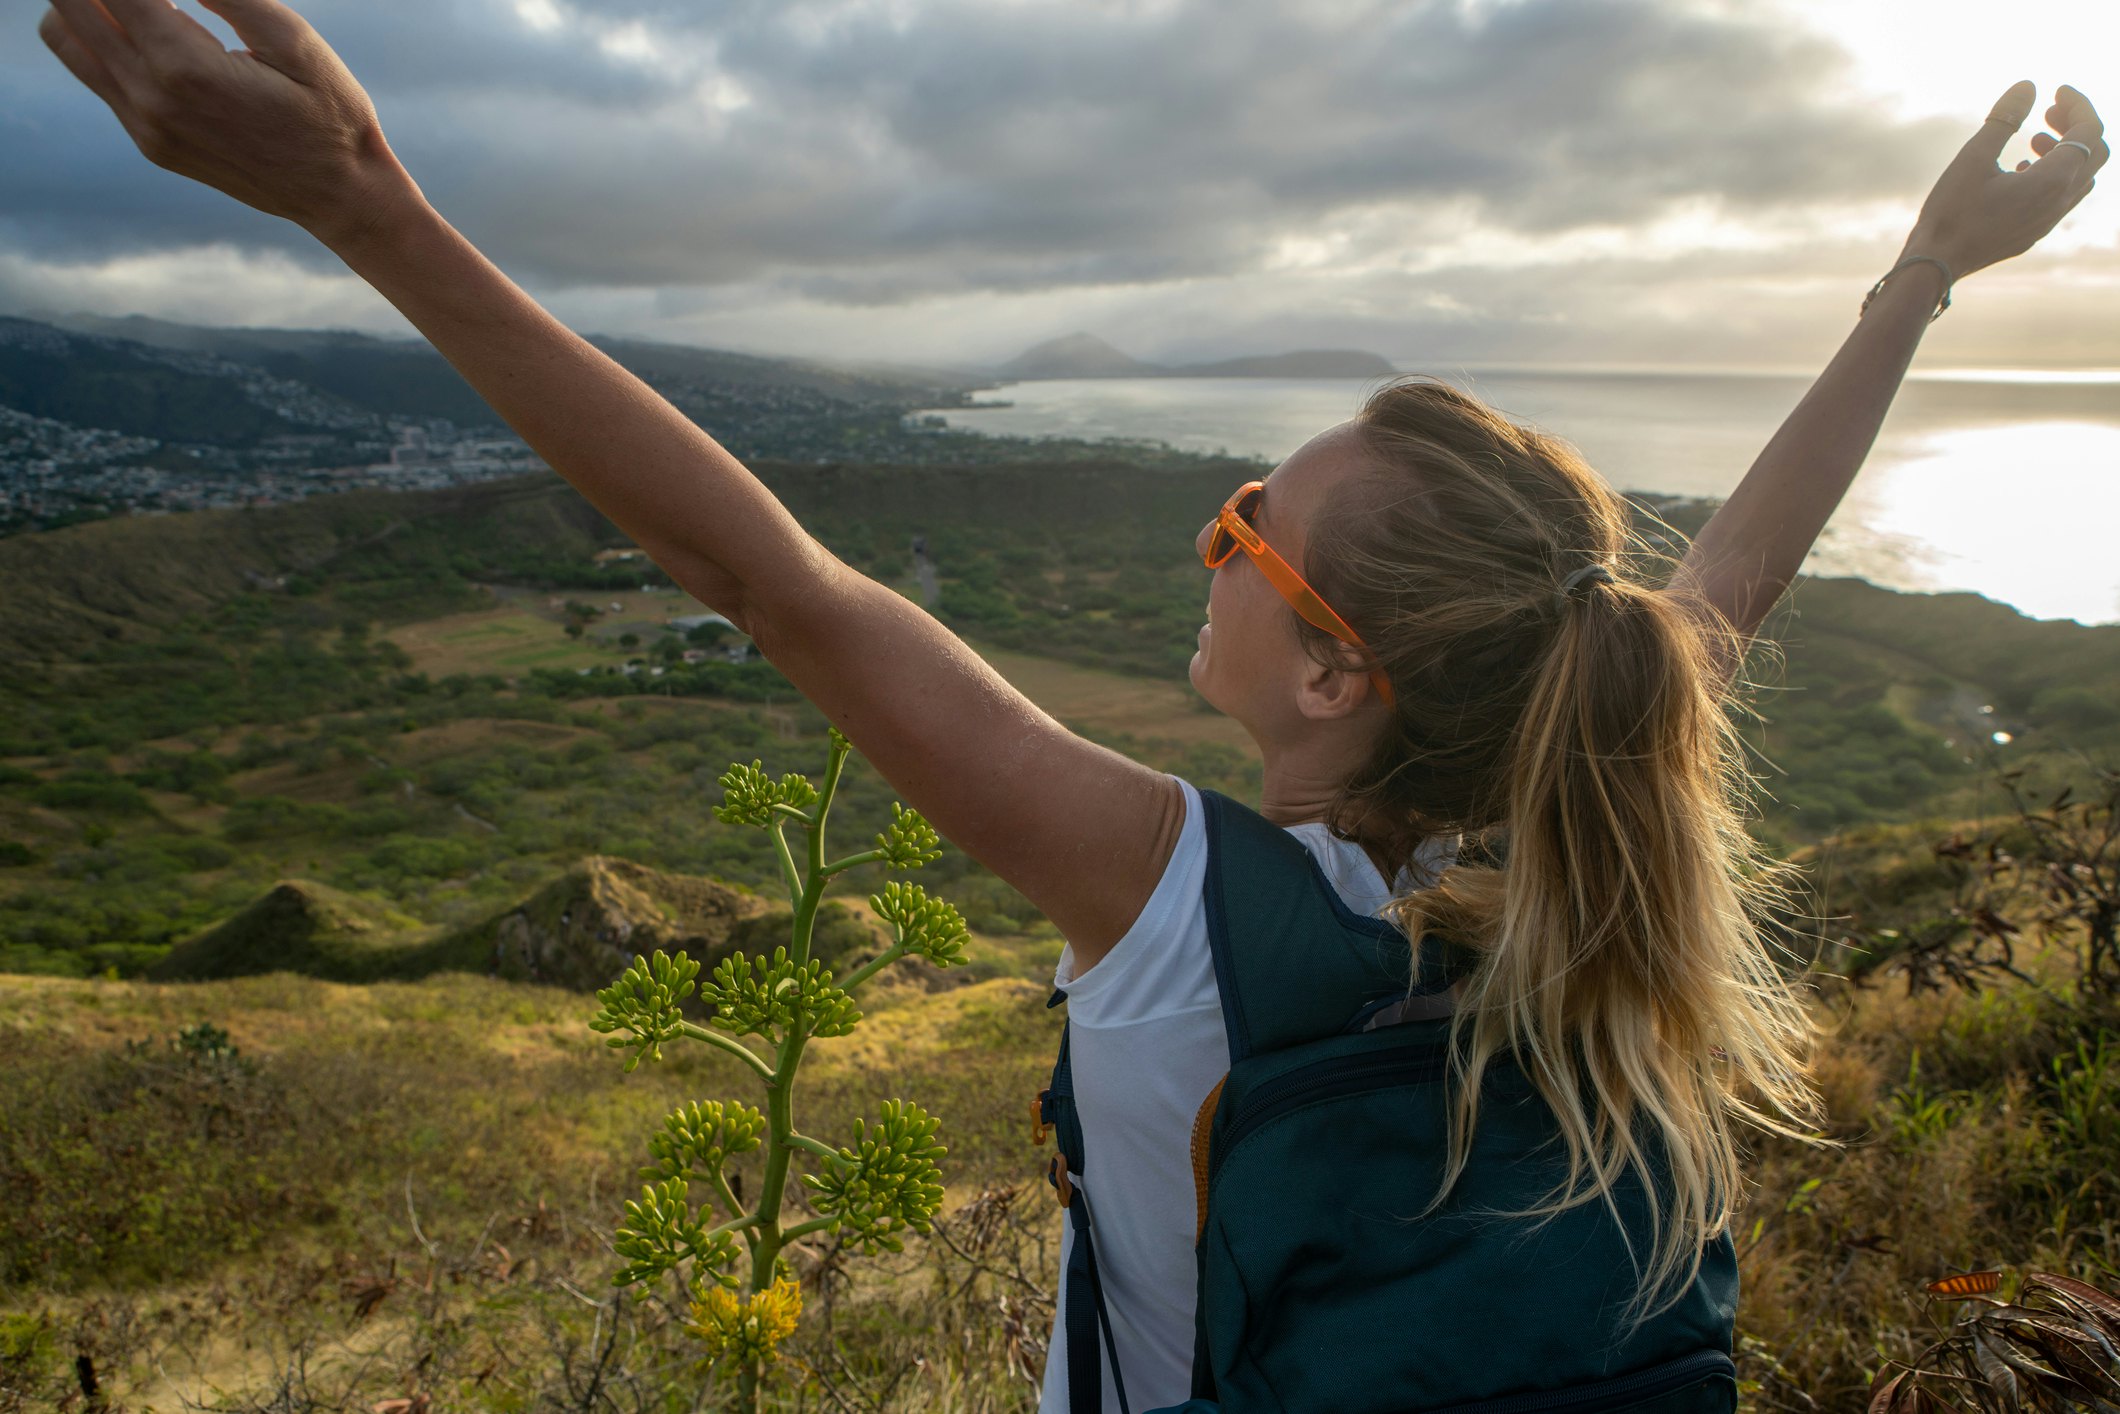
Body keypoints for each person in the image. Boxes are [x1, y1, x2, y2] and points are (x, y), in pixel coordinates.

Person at [34, 2, 2107, 1407]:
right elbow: (1716, 587)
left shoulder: (1183, 909)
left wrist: (365, 206)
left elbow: (772, 575)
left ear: (1329, 669)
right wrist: (1915, 274)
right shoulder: (1584, 832)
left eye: (1246, 523)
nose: (1207, 538)